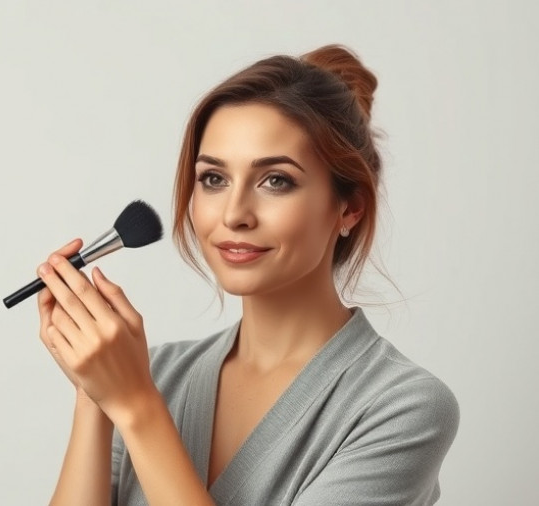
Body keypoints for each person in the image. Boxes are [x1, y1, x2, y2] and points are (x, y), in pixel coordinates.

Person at [33, 44, 459, 505]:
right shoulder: (157, 372)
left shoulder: (402, 409)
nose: (234, 214)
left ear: (349, 208)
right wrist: (94, 394)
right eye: (213, 179)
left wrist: (136, 406)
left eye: (276, 180)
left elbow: (137, 403)